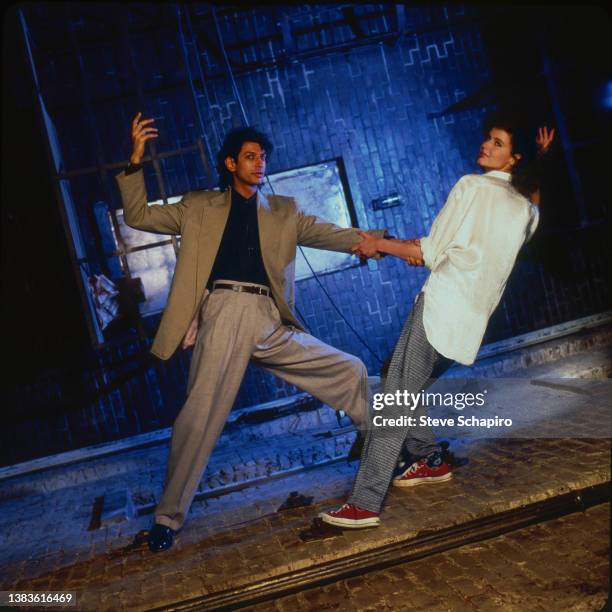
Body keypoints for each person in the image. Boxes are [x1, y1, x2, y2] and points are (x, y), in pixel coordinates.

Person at [116, 114, 387, 551]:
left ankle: (382, 447)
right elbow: (139, 215)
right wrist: (134, 162)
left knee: (348, 367)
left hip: (268, 315)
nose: (259, 163)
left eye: (262, 157)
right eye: (249, 157)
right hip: (224, 311)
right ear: (229, 164)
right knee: (199, 417)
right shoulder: (199, 205)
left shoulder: (284, 211)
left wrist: (383, 241)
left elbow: (332, 234)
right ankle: (167, 519)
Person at [319, 113, 555, 528]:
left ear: (511, 159)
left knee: (395, 396)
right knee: (398, 373)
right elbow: (519, 214)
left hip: (438, 308)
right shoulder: (523, 212)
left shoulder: (471, 186)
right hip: (468, 325)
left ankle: (365, 503)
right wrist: (541, 159)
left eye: (497, 143)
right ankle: (428, 459)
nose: (486, 145)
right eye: (488, 139)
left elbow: (429, 253)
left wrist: (376, 243)